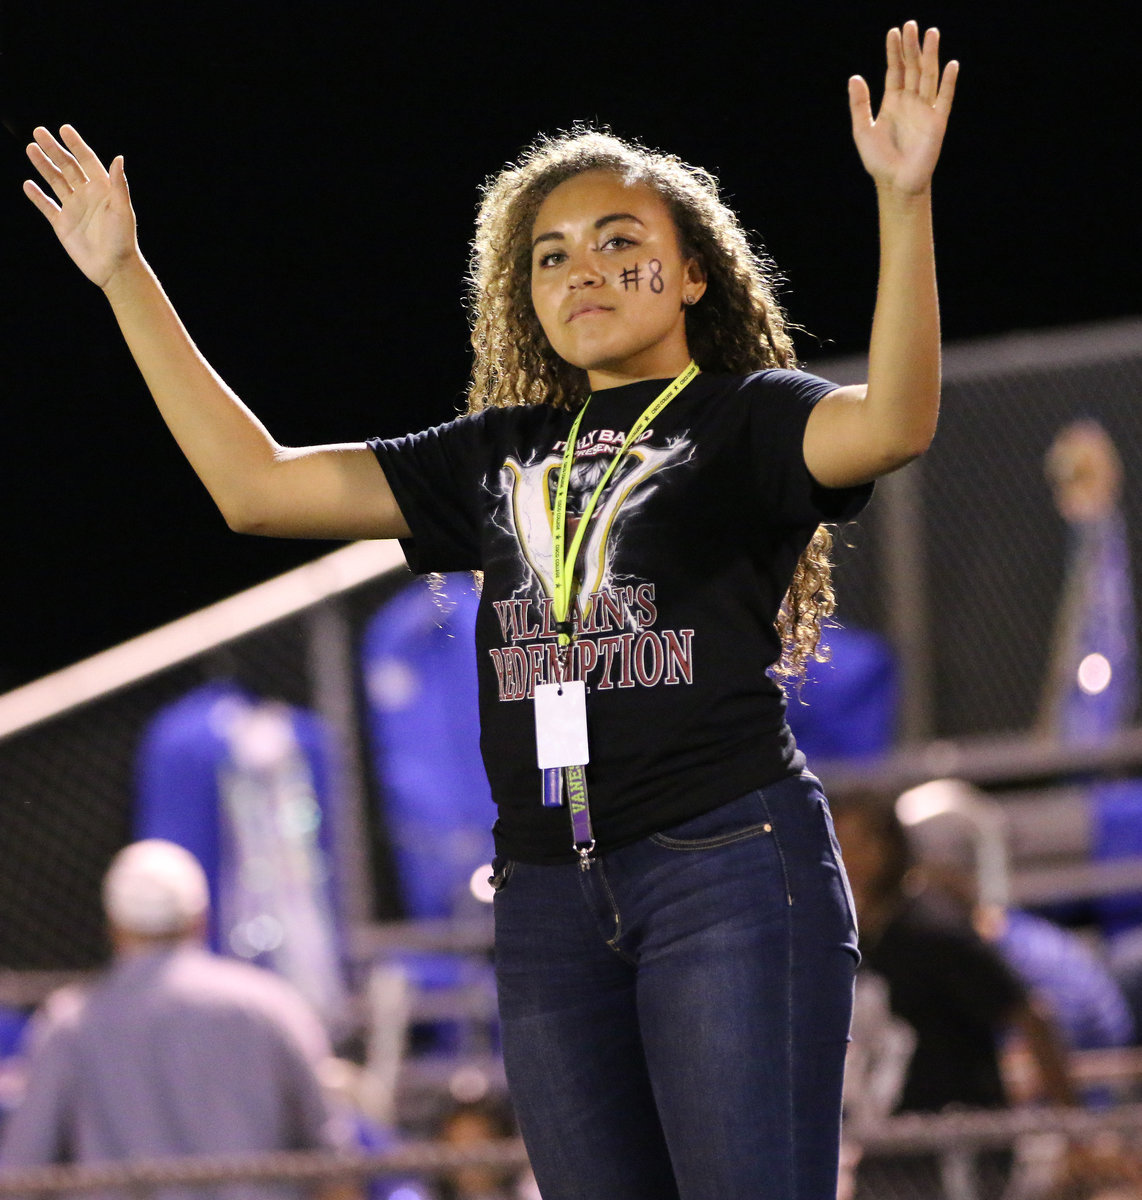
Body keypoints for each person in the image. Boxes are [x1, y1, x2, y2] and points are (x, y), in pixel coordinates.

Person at [21, 21, 957, 1200]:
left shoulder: (745, 418)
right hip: (546, 897)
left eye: (621, 244)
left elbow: (894, 424)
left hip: (721, 864)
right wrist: (125, 278)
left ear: (690, 274)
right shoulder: (490, 455)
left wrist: (903, 203)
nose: (584, 271)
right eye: (552, 256)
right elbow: (254, 489)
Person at [0, 840, 354, 1200]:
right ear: (200, 918)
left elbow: (24, 1173)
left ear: (114, 925)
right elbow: (332, 1158)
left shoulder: (70, 1024)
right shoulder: (271, 1006)